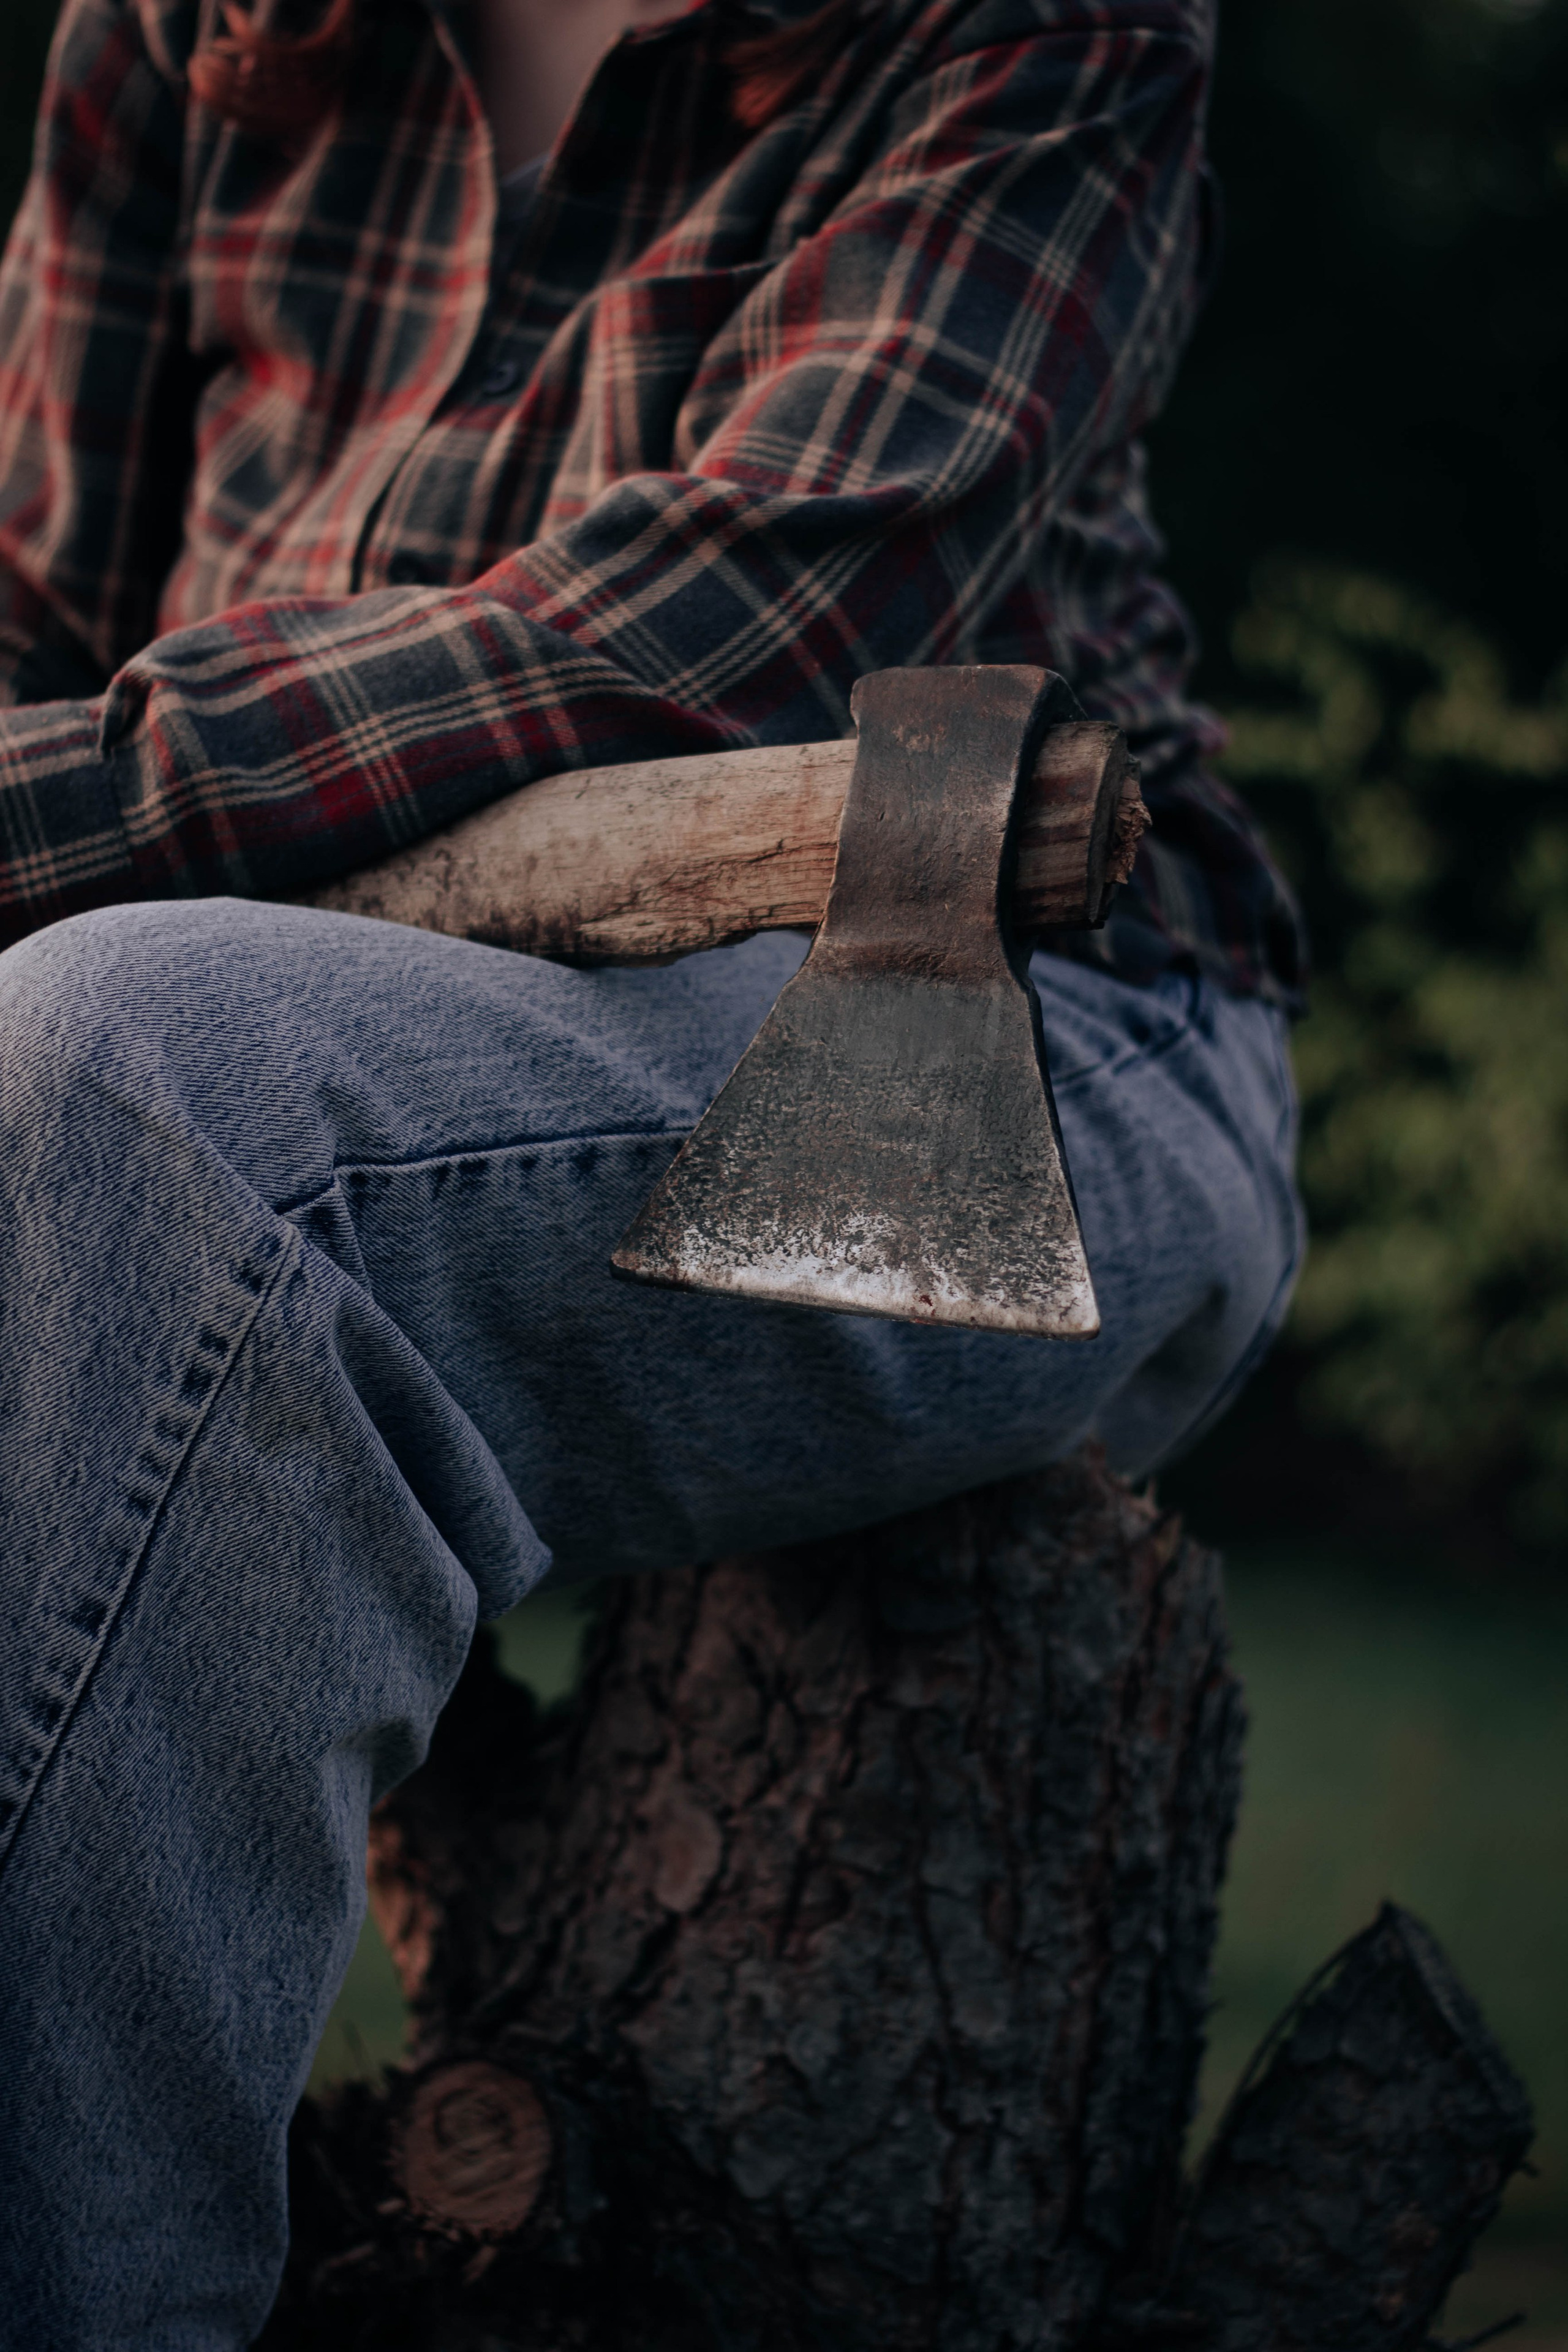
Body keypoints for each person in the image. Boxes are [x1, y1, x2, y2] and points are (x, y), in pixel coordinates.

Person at [0, 0, 1305, 2339]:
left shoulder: (1039, 29)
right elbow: (23, 622)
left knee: (149, 1081)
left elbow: (712, 638)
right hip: (294, 991)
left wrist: (69, 830)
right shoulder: (184, 34)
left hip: (994, 1008)